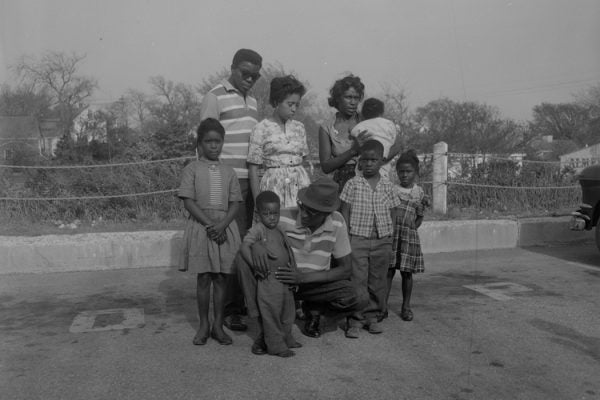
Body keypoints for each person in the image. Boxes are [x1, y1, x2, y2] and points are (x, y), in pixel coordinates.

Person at [237, 177, 368, 354]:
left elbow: (345, 269)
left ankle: (317, 313)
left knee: (359, 296)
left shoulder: (337, 222)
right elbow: (253, 236)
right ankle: (265, 330)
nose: (304, 214)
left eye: (313, 212)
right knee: (242, 261)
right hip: (280, 281)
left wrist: (303, 277)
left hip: (313, 283)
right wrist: (256, 245)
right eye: (303, 207)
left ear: (327, 213)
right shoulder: (279, 215)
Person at [199, 48, 263, 331]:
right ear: (233, 68)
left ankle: (242, 303)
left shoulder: (255, 102)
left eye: (255, 75)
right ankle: (229, 310)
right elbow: (204, 140)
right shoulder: (214, 95)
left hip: (252, 180)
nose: (250, 78)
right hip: (226, 182)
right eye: (245, 73)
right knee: (230, 246)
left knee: (247, 242)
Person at [177, 118, 242, 346]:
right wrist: (209, 225)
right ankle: (203, 325)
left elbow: (235, 202)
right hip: (201, 229)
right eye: (209, 141)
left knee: (222, 278)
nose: (214, 146)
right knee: (204, 277)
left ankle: (218, 325)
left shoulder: (229, 171)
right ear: (200, 143)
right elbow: (188, 201)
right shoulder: (192, 169)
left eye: (218, 141)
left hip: (225, 228)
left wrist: (222, 224)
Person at [340, 140, 401, 338]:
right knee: (358, 281)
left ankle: (373, 317)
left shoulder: (388, 186)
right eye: (364, 160)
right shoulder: (352, 184)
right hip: (358, 239)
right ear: (359, 161)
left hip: (382, 239)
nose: (368, 164)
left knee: (377, 281)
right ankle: (355, 320)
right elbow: (345, 211)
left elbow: (393, 212)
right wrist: (347, 238)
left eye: (373, 160)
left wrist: (390, 236)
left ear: (382, 161)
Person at [239, 191, 301, 358]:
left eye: (275, 213)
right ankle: (276, 346)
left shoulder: (280, 230)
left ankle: (287, 337)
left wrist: (293, 271)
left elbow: (288, 251)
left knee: (288, 312)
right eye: (266, 214)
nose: (271, 218)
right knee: (271, 313)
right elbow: (245, 246)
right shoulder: (259, 229)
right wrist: (254, 265)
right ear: (258, 215)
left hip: (284, 279)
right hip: (269, 279)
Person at [247, 75, 310, 220]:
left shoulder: (299, 128)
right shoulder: (261, 128)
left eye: (297, 105)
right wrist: (258, 202)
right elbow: (253, 169)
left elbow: (304, 160)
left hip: (299, 185)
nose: (294, 109)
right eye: (290, 104)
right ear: (276, 102)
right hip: (273, 186)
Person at [385, 150, 429, 322]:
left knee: (406, 274)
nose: (404, 175)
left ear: (416, 173)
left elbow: (419, 219)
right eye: (401, 171)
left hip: (409, 239)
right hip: (392, 236)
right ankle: (382, 306)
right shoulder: (392, 190)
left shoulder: (419, 193)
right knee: (388, 272)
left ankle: (406, 307)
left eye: (408, 171)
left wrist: (412, 229)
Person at [318, 75, 365, 192]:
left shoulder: (366, 121)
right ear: (338, 98)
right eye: (348, 97)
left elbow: (396, 144)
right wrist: (353, 151)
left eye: (356, 98)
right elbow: (326, 166)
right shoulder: (327, 127)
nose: (353, 102)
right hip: (342, 184)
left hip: (367, 181)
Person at [350, 97, 403, 180]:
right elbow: (394, 141)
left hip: (364, 165)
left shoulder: (359, 126)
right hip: (384, 162)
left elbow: (353, 134)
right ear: (381, 112)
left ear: (363, 113)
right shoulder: (389, 124)